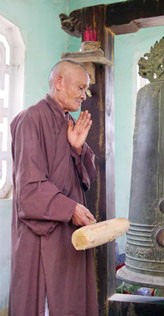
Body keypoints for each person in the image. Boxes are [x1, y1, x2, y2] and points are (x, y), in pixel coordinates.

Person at [8, 59, 99, 316]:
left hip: (69, 236)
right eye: (80, 87)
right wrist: (70, 209)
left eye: (86, 89)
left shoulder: (67, 123)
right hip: (43, 238)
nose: (84, 95)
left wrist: (77, 148)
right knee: (47, 304)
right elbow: (28, 189)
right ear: (59, 82)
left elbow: (86, 180)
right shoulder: (30, 120)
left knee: (72, 301)